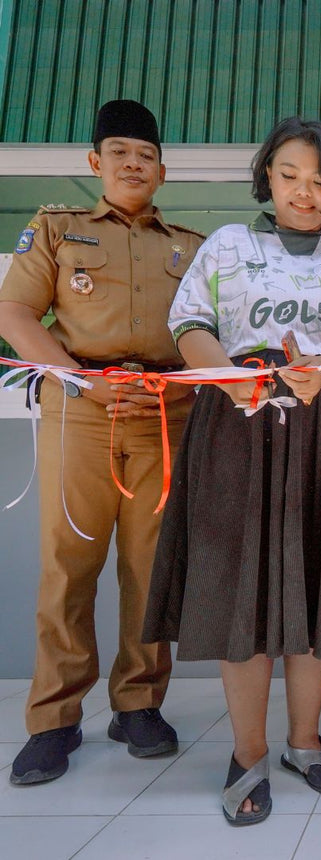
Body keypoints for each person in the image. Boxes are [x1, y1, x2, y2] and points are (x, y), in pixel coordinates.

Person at [141, 117, 321, 827]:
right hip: (239, 422)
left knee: (318, 584)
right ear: (267, 176)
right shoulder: (227, 245)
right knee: (244, 590)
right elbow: (188, 321)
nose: (304, 192)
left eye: (319, 180)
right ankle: (247, 751)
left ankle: (306, 740)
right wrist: (227, 378)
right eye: (289, 175)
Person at [0, 100, 204, 786]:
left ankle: (139, 705)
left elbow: (208, 336)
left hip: (164, 414)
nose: (133, 164)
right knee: (69, 566)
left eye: (145, 156)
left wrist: (183, 387)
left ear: (162, 171)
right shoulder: (58, 228)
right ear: (96, 163)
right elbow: (13, 311)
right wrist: (81, 381)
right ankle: (54, 719)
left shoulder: (189, 245)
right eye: (119, 153)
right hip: (81, 411)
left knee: (152, 568)